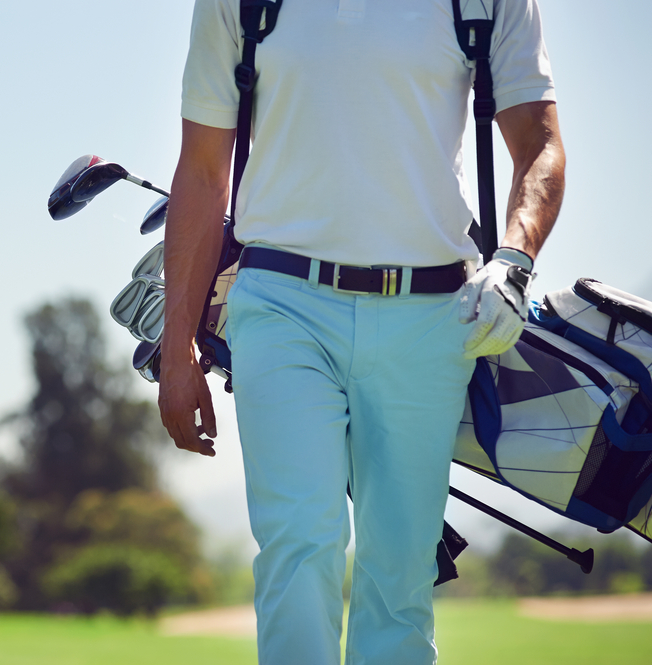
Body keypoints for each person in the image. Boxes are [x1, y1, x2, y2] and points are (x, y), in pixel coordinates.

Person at [158, 1, 565, 663]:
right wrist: (177, 347)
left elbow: (540, 144)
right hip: (280, 305)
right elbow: (202, 172)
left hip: (430, 315)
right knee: (299, 539)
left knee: (398, 576)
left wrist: (514, 260)